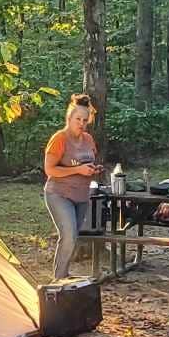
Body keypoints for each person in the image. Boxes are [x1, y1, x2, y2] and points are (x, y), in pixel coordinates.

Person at [43, 93, 100, 280]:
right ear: (69, 118)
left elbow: (87, 163)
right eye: (78, 119)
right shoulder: (59, 138)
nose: (81, 123)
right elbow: (50, 170)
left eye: (85, 120)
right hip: (59, 193)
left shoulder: (89, 140)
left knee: (73, 237)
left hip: (81, 195)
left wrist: (93, 169)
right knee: (67, 235)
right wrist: (77, 170)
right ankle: (58, 280)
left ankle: (65, 276)